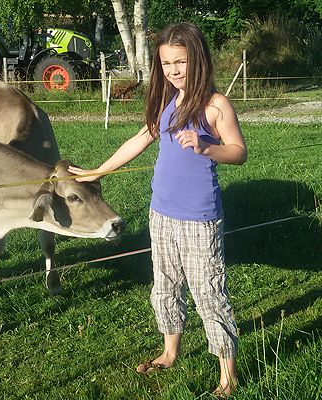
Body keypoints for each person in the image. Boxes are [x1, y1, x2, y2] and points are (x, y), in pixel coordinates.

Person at [68, 22, 247, 398]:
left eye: (180, 61)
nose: (173, 70)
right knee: (164, 286)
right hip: (161, 213)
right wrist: (97, 171)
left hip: (199, 218)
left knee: (208, 292)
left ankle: (227, 376)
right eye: (166, 64)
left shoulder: (215, 105)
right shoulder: (168, 102)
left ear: (197, 59)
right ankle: (170, 351)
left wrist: (205, 147)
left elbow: (238, 151)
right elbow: (140, 139)